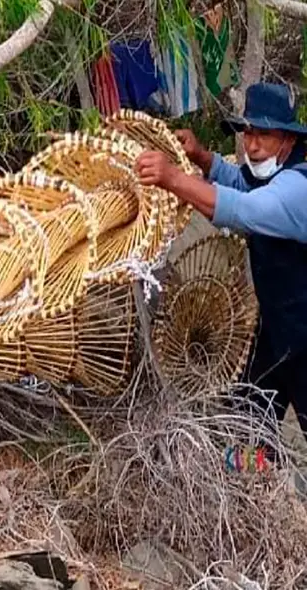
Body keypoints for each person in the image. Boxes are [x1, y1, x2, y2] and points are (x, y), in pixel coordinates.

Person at [134, 82, 307, 460]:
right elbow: (241, 185)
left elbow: (244, 209)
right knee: (246, 421)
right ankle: (255, 488)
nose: (252, 144)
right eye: (248, 132)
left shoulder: (298, 189)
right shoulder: (270, 175)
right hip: (278, 331)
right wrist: (201, 157)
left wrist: (174, 179)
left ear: (288, 142)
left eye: (264, 135)